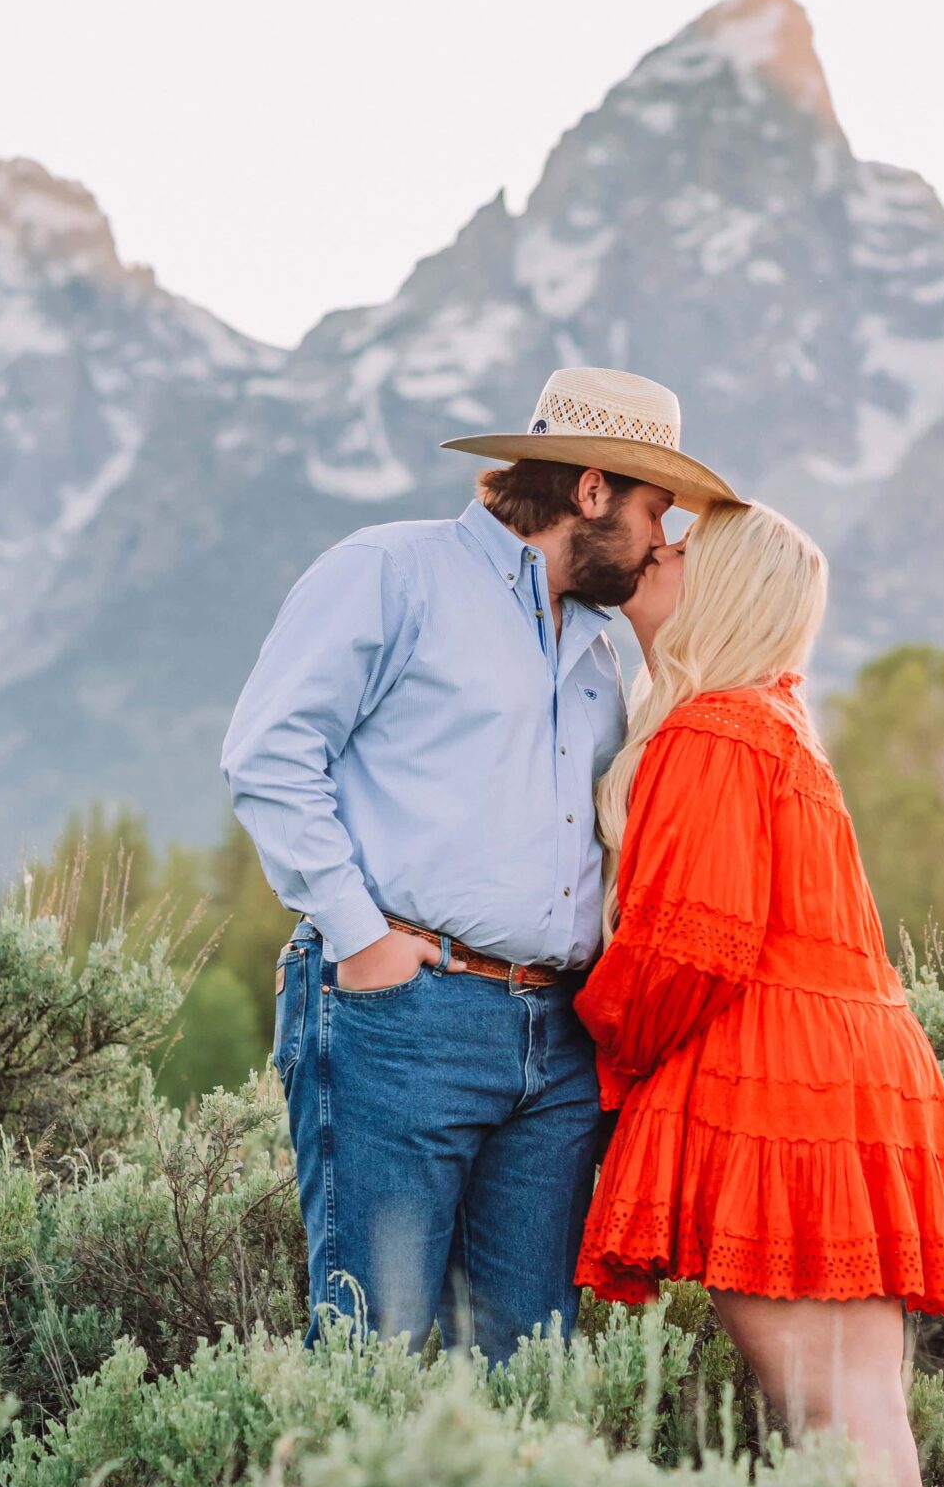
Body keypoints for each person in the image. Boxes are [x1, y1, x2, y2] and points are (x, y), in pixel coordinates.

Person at [220, 366, 739, 1362]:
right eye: (651, 510)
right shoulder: (390, 571)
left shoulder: (600, 640)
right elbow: (271, 752)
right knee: (377, 1352)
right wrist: (361, 940)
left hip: (555, 1042)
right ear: (590, 490)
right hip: (406, 1019)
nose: (658, 543)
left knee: (522, 1366)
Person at [574, 500, 944, 1487]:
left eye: (673, 555)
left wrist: (587, 1035)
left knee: (829, 1416)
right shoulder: (777, 728)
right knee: (859, 1406)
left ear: (716, 593)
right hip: (852, 1080)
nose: (650, 560)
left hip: (778, 1094)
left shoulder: (712, 729)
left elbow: (689, 942)